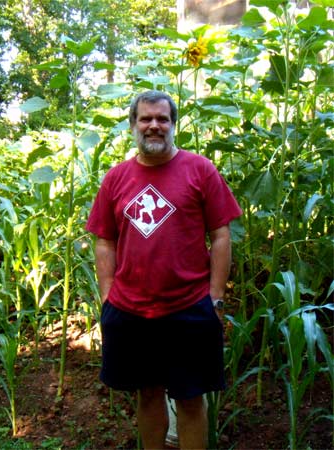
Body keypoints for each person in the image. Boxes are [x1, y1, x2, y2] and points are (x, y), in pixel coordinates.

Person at [86, 90, 242, 449]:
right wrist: (108, 296)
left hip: (189, 308)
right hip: (130, 311)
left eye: (162, 119)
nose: (154, 126)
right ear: (133, 125)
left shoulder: (199, 169)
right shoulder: (116, 178)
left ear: (173, 125)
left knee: (190, 400)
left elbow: (221, 234)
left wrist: (215, 297)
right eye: (146, 119)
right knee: (147, 394)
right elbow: (104, 241)